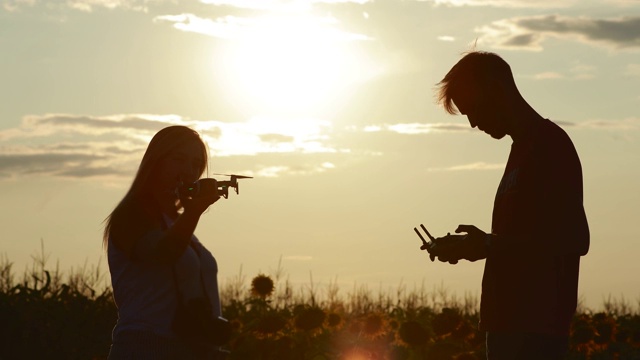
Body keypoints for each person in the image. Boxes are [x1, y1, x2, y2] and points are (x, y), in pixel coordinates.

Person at [430, 51, 590, 359]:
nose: (474, 123)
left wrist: (488, 244)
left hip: (535, 333)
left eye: (473, 110)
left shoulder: (549, 146)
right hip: (508, 329)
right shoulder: (521, 151)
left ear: (496, 89)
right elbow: (522, 240)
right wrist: (476, 246)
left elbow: (573, 239)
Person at [103, 125, 229, 359]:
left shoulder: (177, 223)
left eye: (195, 164)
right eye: (179, 159)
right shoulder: (131, 215)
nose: (188, 170)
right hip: (146, 347)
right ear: (156, 162)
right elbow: (163, 254)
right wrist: (193, 214)